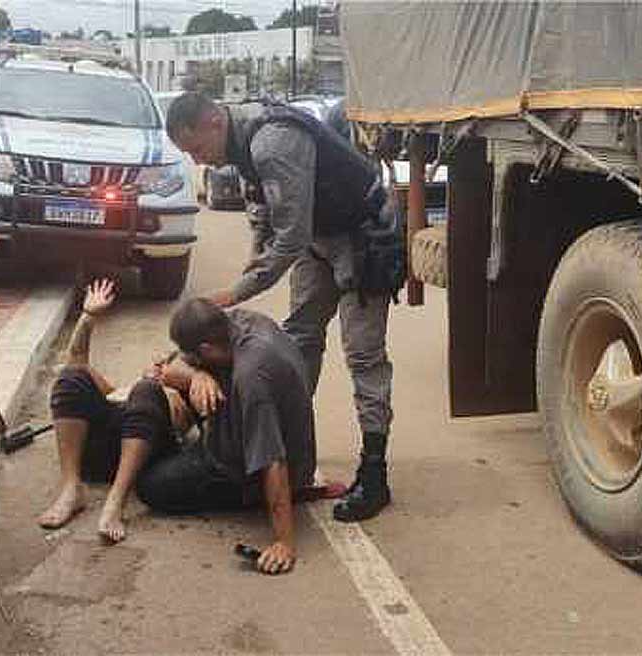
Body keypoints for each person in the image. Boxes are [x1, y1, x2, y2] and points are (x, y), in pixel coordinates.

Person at [165, 92, 403, 523]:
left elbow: (289, 236)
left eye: (197, 149)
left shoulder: (272, 142)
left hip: (361, 238)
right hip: (319, 239)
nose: (198, 162)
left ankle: (374, 474)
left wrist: (237, 293)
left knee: (363, 355)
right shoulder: (238, 146)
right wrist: (252, 263)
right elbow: (264, 218)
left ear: (215, 122)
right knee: (298, 342)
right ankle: (291, 457)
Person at [135, 298, 318, 575]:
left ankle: (246, 494)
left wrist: (284, 541)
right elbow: (171, 365)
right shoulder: (240, 321)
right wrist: (197, 375)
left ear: (206, 348)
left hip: (253, 469)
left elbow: (273, 460)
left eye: (195, 357)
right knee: (173, 380)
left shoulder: (252, 377)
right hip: (250, 427)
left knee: (151, 487)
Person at [39, 280, 199, 544]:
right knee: (71, 377)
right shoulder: (121, 392)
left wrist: (187, 378)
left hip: (147, 457)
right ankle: (71, 487)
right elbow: (76, 361)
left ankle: (116, 501)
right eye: (157, 363)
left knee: (146, 391)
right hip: (101, 453)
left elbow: (195, 402)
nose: (159, 366)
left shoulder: (178, 399)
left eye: (166, 365)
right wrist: (88, 316)